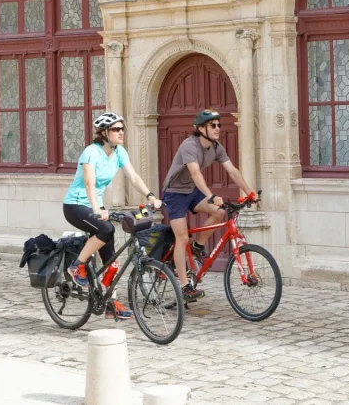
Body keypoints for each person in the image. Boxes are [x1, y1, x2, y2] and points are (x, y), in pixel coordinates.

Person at [62, 112, 162, 320]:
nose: (121, 132)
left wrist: (150, 196)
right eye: (116, 129)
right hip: (76, 204)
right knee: (106, 229)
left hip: (95, 206)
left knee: (112, 259)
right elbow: (89, 182)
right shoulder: (91, 152)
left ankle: (110, 304)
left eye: (122, 128)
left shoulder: (119, 153)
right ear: (104, 133)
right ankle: (76, 266)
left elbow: (133, 177)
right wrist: (97, 208)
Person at [162, 109, 255, 302]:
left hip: (191, 191)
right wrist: (211, 194)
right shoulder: (189, 145)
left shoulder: (216, 147)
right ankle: (184, 285)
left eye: (219, 125)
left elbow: (232, 170)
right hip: (175, 193)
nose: (218, 128)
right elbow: (195, 173)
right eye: (213, 125)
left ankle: (198, 246)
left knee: (219, 212)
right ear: (201, 128)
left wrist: (249, 192)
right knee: (182, 238)